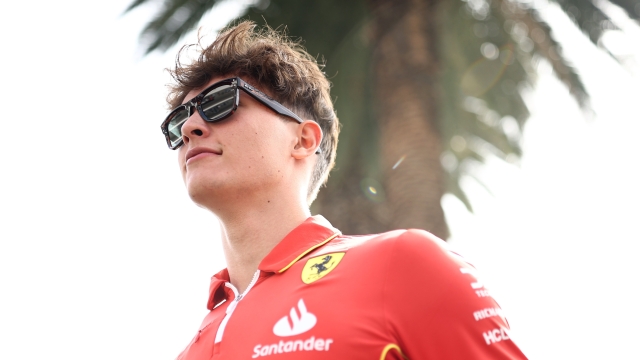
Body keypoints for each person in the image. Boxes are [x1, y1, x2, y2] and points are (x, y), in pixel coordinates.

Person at [160, 21, 527, 359]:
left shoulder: (404, 264)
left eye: (221, 102)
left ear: (303, 140)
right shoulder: (190, 347)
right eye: (179, 121)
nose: (191, 126)